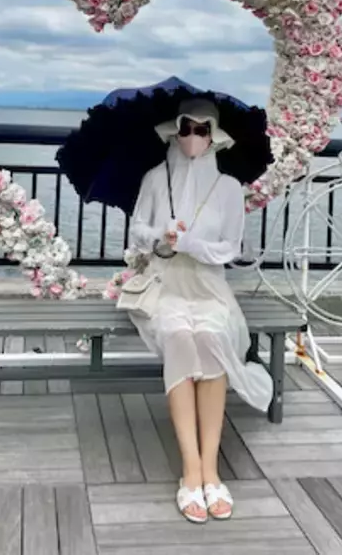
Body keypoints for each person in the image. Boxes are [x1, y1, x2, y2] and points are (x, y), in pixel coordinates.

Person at [128, 98, 273, 523]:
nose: (193, 137)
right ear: (175, 131)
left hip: (209, 288)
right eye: (186, 128)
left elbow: (230, 247)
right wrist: (162, 236)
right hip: (166, 284)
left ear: (214, 136)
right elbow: (137, 228)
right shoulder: (156, 177)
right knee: (178, 339)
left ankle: (211, 468)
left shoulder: (227, 187)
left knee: (210, 339)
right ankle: (190, 469)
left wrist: (193, 244)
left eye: (202, 129)